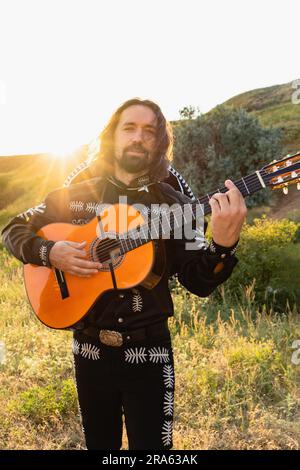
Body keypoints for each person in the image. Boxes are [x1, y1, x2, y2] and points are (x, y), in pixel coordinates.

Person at [1, 98, 247, 450]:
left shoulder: (177, 206)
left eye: (149, 131)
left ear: (160, 142)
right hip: (89, 350)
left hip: (150, 354)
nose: (138, 137)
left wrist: (223, 245)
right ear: (112, 137)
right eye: (128, 128)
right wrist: (50, 252)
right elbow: (14, 229)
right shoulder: (74, 196)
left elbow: (199, 282)